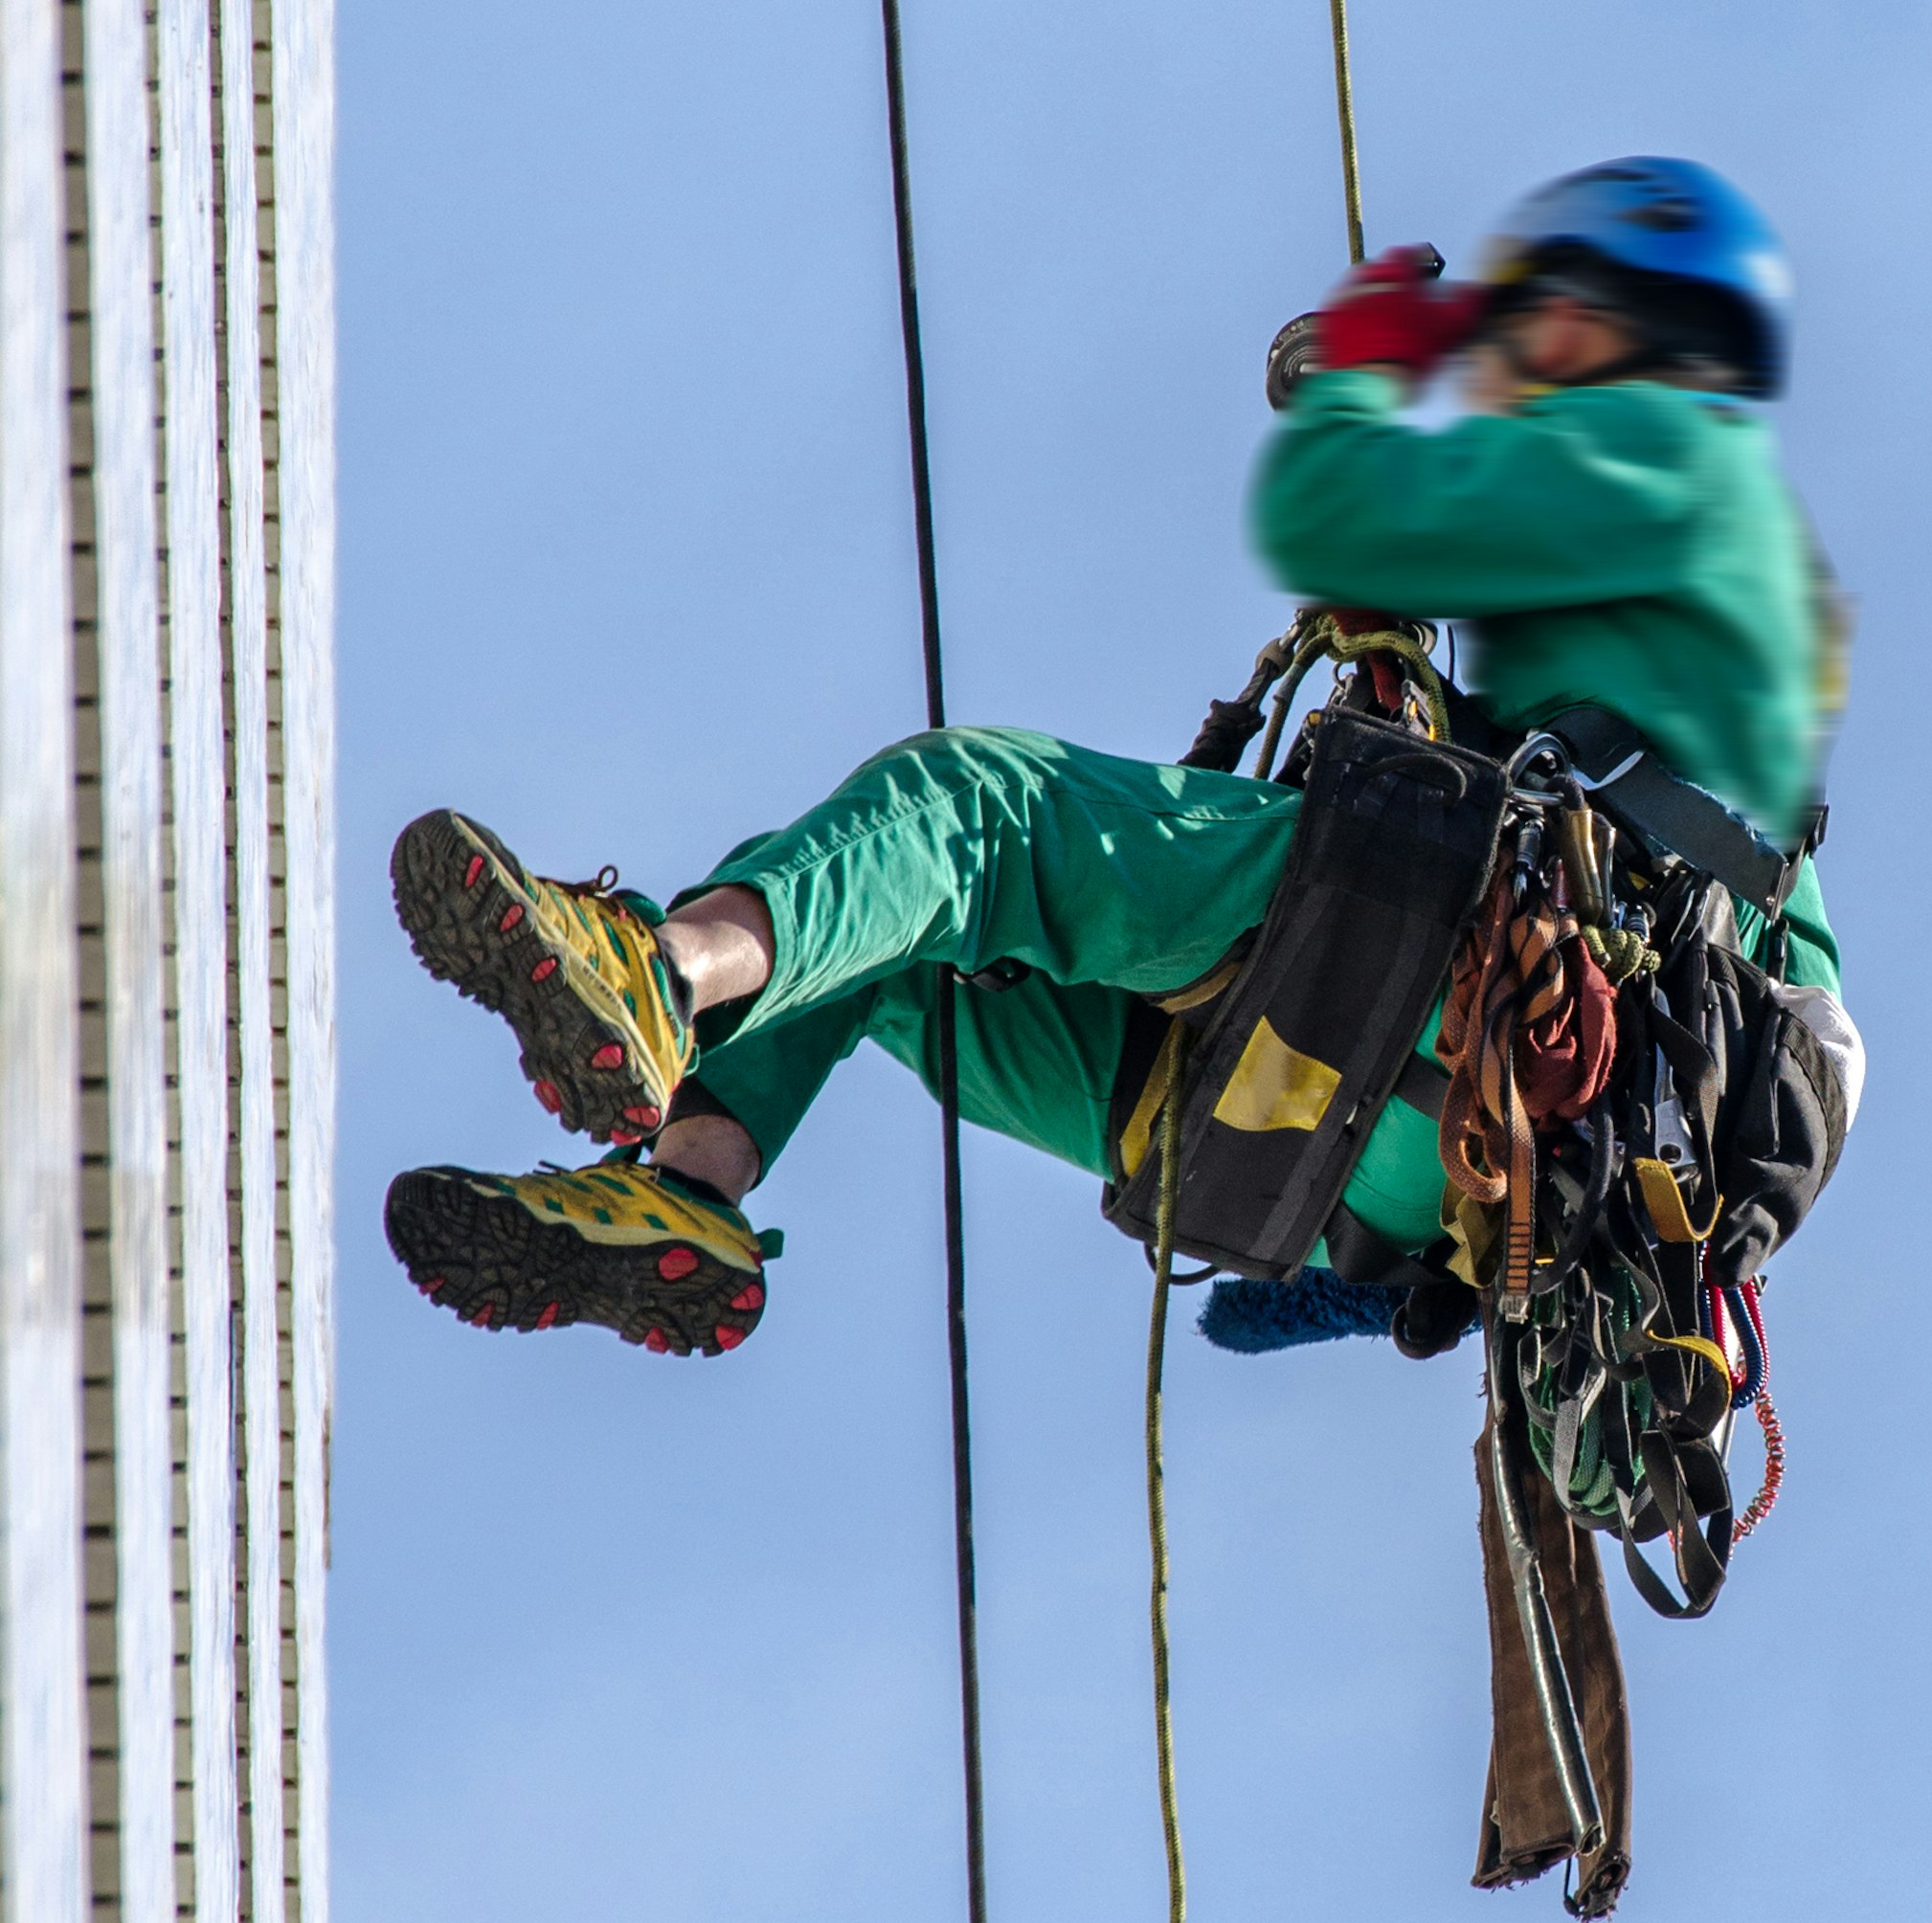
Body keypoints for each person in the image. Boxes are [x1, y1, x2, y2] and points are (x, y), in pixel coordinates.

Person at [383, 161, 1855, 1359]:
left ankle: (655, 972)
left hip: (1438, 977)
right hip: (1401, 1143)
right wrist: (1363, 1273)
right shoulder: (1733, 738)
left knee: (971, 813)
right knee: (875, 931)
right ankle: (690, 1190)